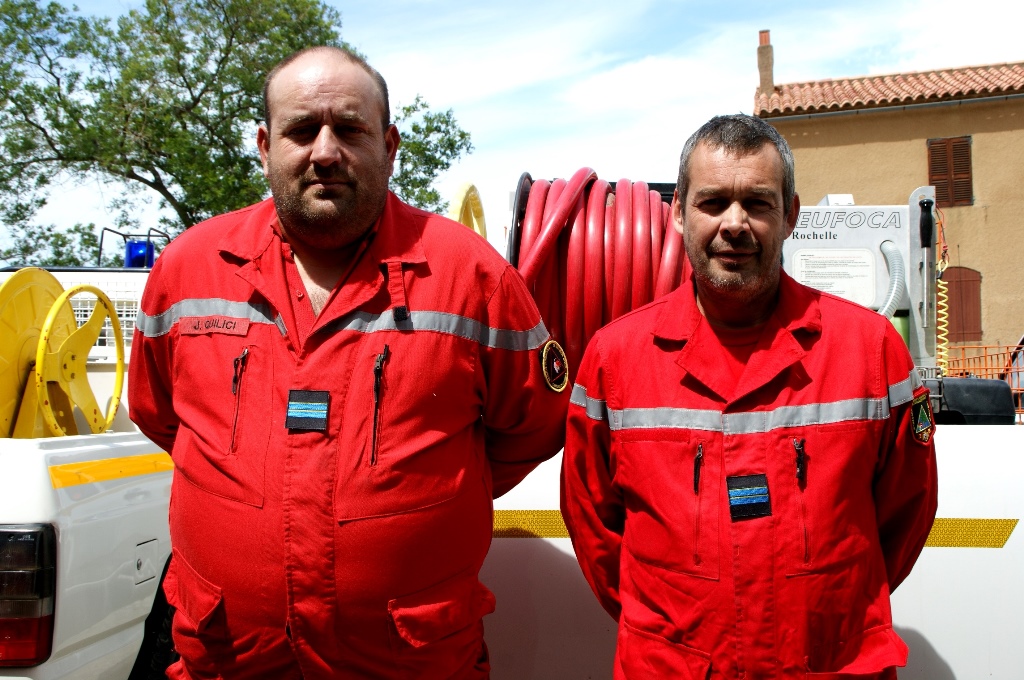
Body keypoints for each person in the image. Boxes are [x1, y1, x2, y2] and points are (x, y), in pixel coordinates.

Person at [129, 46, 569, 679]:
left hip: (409, 661)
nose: (326, 151)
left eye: (350, 129)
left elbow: (531, 427)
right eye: (302, 129)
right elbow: (161, 415)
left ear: (389, 146)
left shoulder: (472, 277)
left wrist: (431, 492)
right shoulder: (187, 268)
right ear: (265, 146)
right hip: (229, 659)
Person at [561, 113, 937, 679]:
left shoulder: (872, 350)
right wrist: (674, 628)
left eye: (757, 203)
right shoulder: (614, 360)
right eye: (713, 202)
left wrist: (826, 609)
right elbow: (594, 527)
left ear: (790, 214)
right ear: (678, 212)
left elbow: (905, 516)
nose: (734, 224)